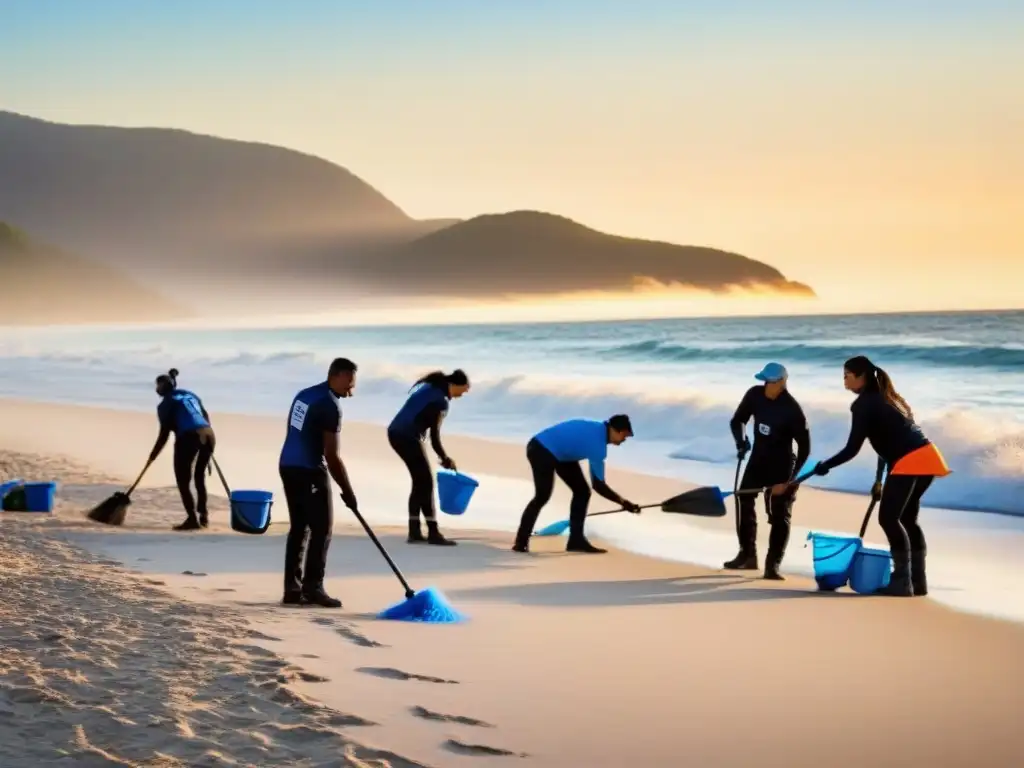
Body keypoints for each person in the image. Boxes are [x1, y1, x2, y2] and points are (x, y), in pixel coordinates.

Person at [810, 355, 950, 597]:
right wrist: (879, 480)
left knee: (888, 518)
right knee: (906, 519)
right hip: (928, 457)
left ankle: (901, 582)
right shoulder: (885, 399)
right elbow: (884, 444)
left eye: (847, 375)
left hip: (910, 461)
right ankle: (918, 582)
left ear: (861, 376)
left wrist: (826, 465)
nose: (844, 381)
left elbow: (852, 449)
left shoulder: (863, 404)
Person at [278, 357, 359, 608]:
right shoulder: (329, 406)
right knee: (322, 528)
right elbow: (331, 455)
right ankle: (314, 588)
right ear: (339, 375)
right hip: (308, 470)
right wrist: (348, 490)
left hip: (287, 465)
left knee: (300, 527)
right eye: (350, 384)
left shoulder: (305, 394)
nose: (351, 391)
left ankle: (292, 588)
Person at [725, 362, 811, 580]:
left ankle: (773, 565)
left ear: (782, 382)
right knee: (743, 499)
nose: (767, 386)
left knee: (779, 515)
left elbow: (805, 448)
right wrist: (741, 441)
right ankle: (747, 555)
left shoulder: (792, 410)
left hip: (782, 465)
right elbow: (738, 420)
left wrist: (792, 480)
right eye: (765, 381)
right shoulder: (755, 395)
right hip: (758, 460)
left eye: (771, 382)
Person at [513, 415, 639, 555]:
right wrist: (623, 502)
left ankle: (576, 540)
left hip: (562, 454)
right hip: (541, 449)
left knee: (582, 492)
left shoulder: (598, 430)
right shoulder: (597, 445)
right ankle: (521, 542)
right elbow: (598, 485)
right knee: (542, 496)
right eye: (624, 435)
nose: (624, 440)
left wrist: (623, 502)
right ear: (615, 430)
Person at [387, 369, 470, 546]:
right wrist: (445, 458)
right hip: (406, 436)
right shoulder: (440, 401)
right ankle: (432, 532)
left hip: (395, 433)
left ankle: (415, 531)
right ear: (455, 385)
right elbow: (435, 436)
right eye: (463, 390)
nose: (463, 394)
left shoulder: (431, 388)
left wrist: (443, 457)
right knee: (425, 482)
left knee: (420, 482)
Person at [148, 368, 216, 531]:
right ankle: (203, 516)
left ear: (160, 389)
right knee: (199, 476)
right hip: (209, 434)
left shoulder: (165, 405)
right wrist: (206, 446)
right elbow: (205, 416)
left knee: (183, 480)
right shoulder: (190, 394)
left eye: (157, 386)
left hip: (188, 437)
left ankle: (192, 519)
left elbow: (164, 436)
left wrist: (152, 456)